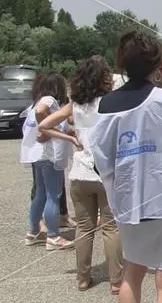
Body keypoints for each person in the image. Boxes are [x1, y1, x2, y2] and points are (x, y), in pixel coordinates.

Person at [90, 31, 162, 303]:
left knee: (133, 271)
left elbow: (101, 160)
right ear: (157, 63)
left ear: (122, 63)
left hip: (130, 201)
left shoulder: (106, 104)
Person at [38, 56, 124, 294]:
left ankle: (83, 278)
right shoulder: (112, 102)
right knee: (111, 228)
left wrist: (71, 137)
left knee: (84, 228)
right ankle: (116, 280)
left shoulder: (75, 105)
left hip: (80, 173)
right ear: (104, 78)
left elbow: (43, 125)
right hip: (106, 172)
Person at [20, 72, 74, 250]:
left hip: (37, 155)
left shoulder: (35, 101)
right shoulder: (49, 100)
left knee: (41, 194)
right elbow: (41, 112)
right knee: (53, 195)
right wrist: (46, 130)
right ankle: (53, 236)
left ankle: (33, 231)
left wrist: (64, 133)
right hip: (49, 155)